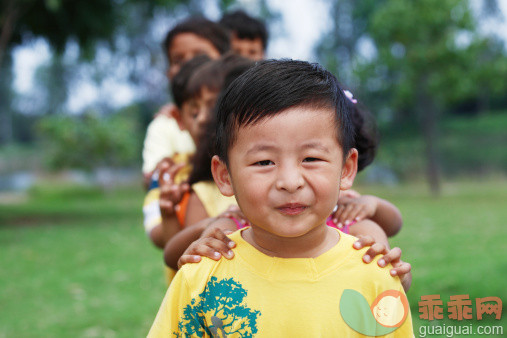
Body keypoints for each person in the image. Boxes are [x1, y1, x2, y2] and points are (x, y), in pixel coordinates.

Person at [148, 60, 413, 336]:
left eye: (310, 158)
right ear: (225, 176)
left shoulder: (372, 272)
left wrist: (389, 281)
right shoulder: (203, 276)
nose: (289, 182)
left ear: (346, 170)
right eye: (264, 162)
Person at [142, 17, 230, 187]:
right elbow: (152, 179)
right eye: (178, 60)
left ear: (227, 61)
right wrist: (163, 174)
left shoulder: (241, 114)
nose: (190, 64)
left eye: (200, 55)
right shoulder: (164, 125)